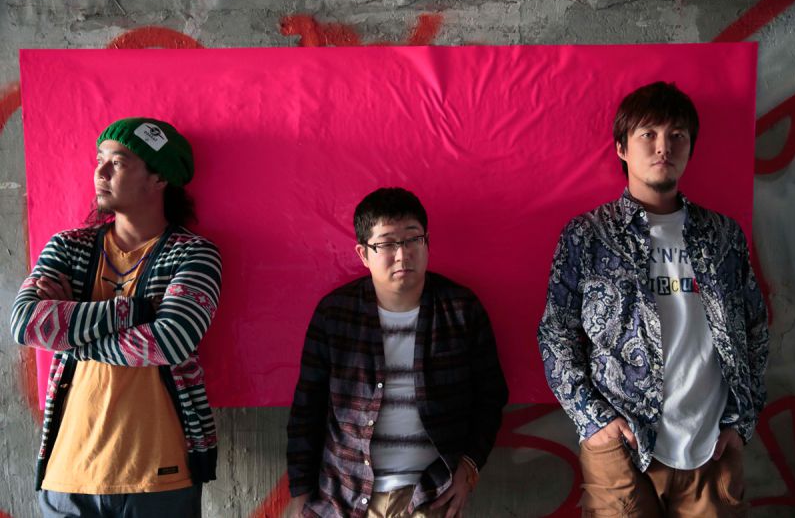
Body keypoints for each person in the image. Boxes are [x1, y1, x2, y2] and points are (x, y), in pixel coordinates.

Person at [538, 82, 769, 516]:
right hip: (621, 448)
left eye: (677, 135)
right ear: (622, 148)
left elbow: (756, 327)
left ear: (690, 147)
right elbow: (556, 333)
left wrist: (742, 421)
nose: (663, 147)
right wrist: (594, 420)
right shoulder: (587, 235)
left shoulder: (724, 235)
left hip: (712, 448)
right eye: (648, 134)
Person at [11, 118, 222, 517]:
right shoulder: (68, 247)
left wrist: (69, 331)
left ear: (158, 178)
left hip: (160, 475)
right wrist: (136, 311)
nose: (101, 172)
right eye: (99, 159)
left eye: (118, 162)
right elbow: (25, 324)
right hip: (68, 473)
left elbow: (170, 341)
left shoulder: (193, 254)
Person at [286, 187, 508, 518]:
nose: (402, 255)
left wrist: (470, 465)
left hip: (429, 494)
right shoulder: (335, 315)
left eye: (412, 239)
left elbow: (491, 395)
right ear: (363, 254)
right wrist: (300, 493)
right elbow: (308, 409)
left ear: (426, 242)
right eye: (387, 244)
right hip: (344, 495)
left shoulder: (461, 309)